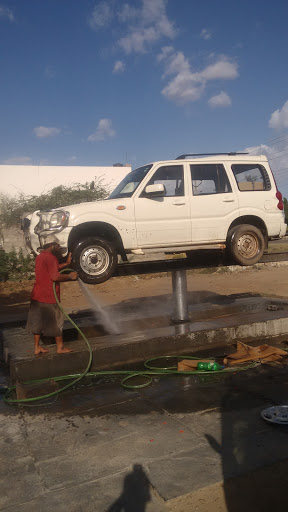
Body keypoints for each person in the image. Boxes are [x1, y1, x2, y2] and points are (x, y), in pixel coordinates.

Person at [26, 234, 77, 355]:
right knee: (57, 322)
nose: (59, 247)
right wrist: (70, 276)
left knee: (37, 322)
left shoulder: (40, 257)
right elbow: (55, 276)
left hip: (37, 296)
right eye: (57, 245)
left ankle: (37, 347)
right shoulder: (51, 257)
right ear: (52, 245)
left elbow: (50, 269)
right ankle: (60, 348)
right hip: (49, 296)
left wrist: (66, 264)